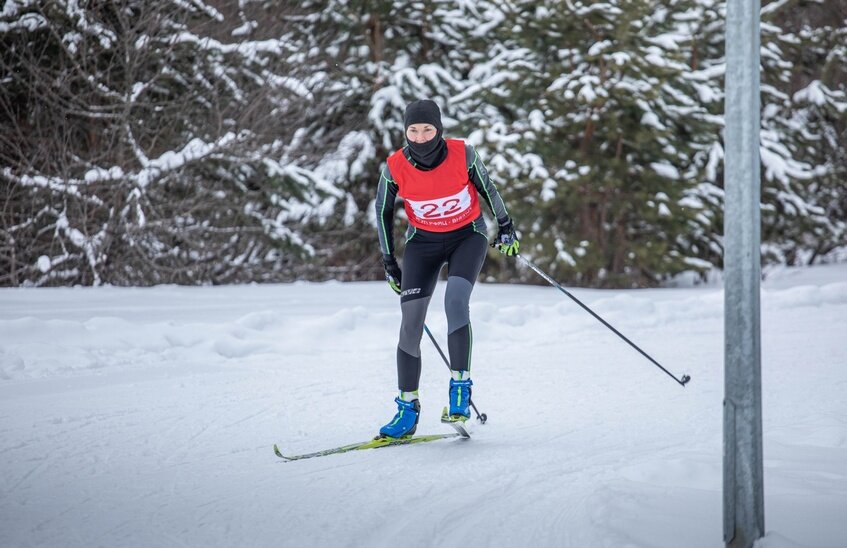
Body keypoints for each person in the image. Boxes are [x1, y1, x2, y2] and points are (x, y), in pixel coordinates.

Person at [374, 99, 519, 439]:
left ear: (438, 129)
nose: (421, 137)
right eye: (413, 130)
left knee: (455, 302)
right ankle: (406, 410)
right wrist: (388, 261)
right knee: (411, 323)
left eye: (427, 129)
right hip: (422, 244)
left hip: (467, 236)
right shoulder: (394, 166)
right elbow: (381, 211)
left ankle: (460, 388)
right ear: (405, 131)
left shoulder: (462, 154)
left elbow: (488, 188)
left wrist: (506, 225)